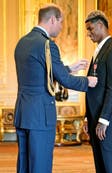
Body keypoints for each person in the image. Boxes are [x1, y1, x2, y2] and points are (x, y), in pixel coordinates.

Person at [14, 4, 97, 173]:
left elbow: (40, 73)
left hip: (23, 112)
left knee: (24, 164)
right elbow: (65, 80)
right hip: (41, 115)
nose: (61, 27)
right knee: (40, 165)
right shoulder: (47, 44)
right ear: (53, 19)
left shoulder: (22, 43)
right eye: (61, 22)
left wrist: (69, 68)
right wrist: (87, 81)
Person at [83, 10, 112, 173]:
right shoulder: (99, 51)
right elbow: (92, 89)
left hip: (108, 122)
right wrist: (88, 117)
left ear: (100, 25)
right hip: (97, 119)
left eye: (90, 29)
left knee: (111, 166)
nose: (89, 33)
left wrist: (104, 120)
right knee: (101, 165)